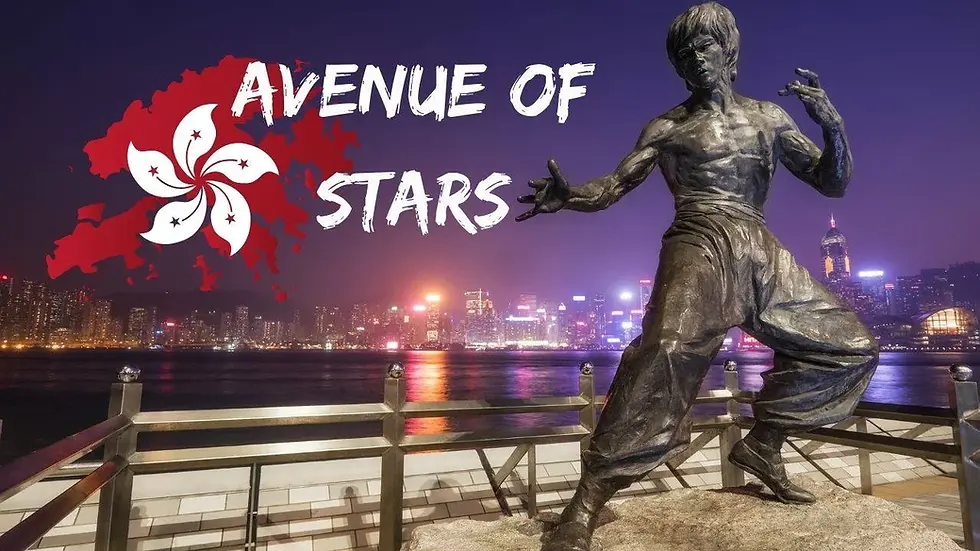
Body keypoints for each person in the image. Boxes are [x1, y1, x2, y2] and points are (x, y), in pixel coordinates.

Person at [515, 3, 880, 550]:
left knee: (851, 347)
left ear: (727, 50)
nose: (695, 57)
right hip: (697, 241)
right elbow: (614, 185)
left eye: (704, 46)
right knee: (663, 352)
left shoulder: (769, 118)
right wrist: (570, 196)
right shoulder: (667, 127)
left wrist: (834, 127)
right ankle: (586, 502)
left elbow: (832, 182)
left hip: (758, 247)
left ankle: (764, 445)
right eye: (684, 53)